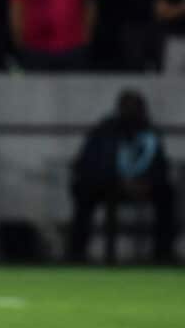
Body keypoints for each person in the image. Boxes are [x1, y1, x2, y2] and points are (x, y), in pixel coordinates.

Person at [69, 90, 177, 263]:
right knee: (84, 194)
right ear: (119, 108)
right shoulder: (105, 131)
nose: (132, 112)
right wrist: (117, 180)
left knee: (167, 194)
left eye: (136, 107)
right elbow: (89, 163)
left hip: (143, 185)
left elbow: (160, 166)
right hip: (107, 184)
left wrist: (147, 183)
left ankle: (163, 253)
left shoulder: (150, 133)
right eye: (128, 107)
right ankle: (76, 253)